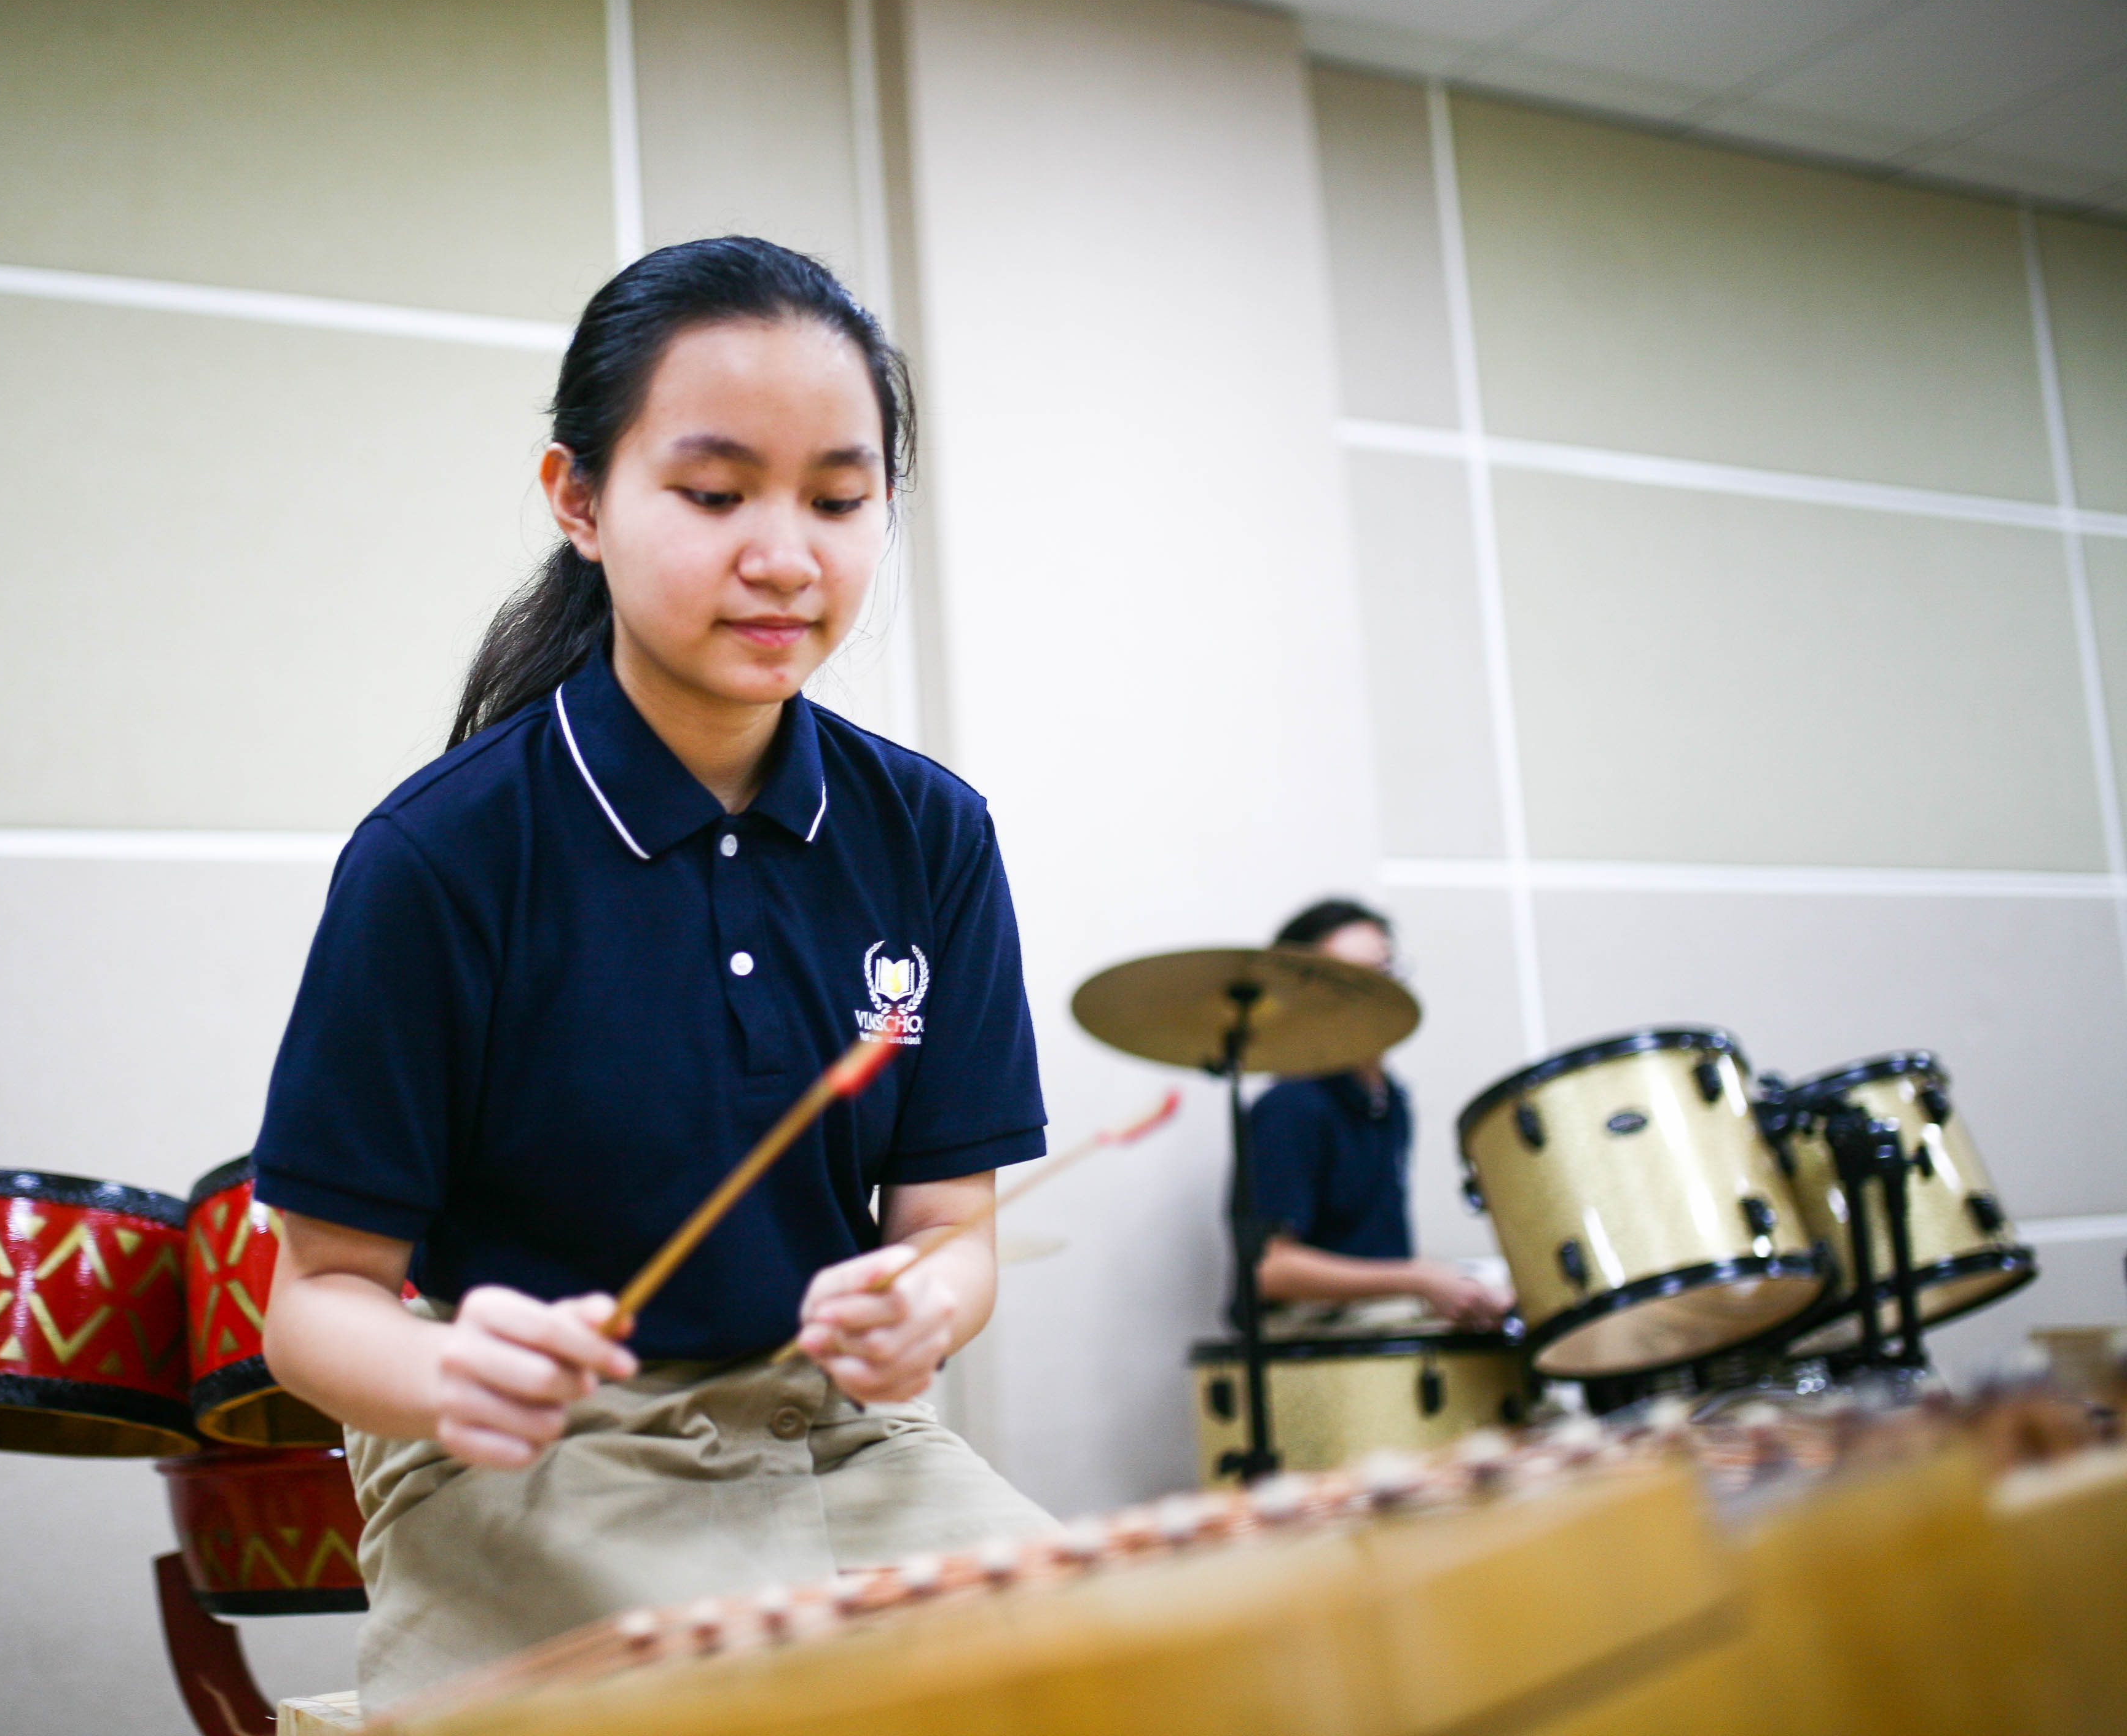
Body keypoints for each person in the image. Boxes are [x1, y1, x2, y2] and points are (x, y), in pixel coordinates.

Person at [253, 237, 1058, 1707]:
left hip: (835, 1444)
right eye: (712, 492)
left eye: (837, 497)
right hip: (537, 1468)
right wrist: (447, 1375)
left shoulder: (931, 835)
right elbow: (312, 1305)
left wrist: (927, 1308)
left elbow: (955, 1233)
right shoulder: (442, 858)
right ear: (580, 500)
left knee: (1139, 1671)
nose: (784, 554)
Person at [1242, 898, 1508, 1330]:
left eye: (1386, 973)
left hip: (1377, 1311)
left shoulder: (1389, 1100)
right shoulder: (1292, 1106)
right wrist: (1416, 1278)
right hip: (1312, 1331)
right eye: (1352, 982)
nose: (1380, 995)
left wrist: (1452, 1283)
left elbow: (1376, 1253)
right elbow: (1269, 1270)